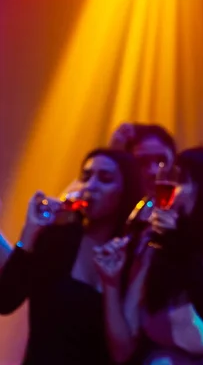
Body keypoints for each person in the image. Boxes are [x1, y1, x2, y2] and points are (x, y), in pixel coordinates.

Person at [95, 147, 203, 364]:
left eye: (180, 181)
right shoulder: (156, 248)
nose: (171, 191)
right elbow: (122, 351)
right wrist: (110, 283)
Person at [0, 149, 143, 365]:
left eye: (105, 179)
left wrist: (111, 285)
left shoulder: (131, 256)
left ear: (125, 192)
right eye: (86, 177)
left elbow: (124, 354)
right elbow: (6, 300)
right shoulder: (57, 240)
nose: (91, 186)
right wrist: (29, 233)